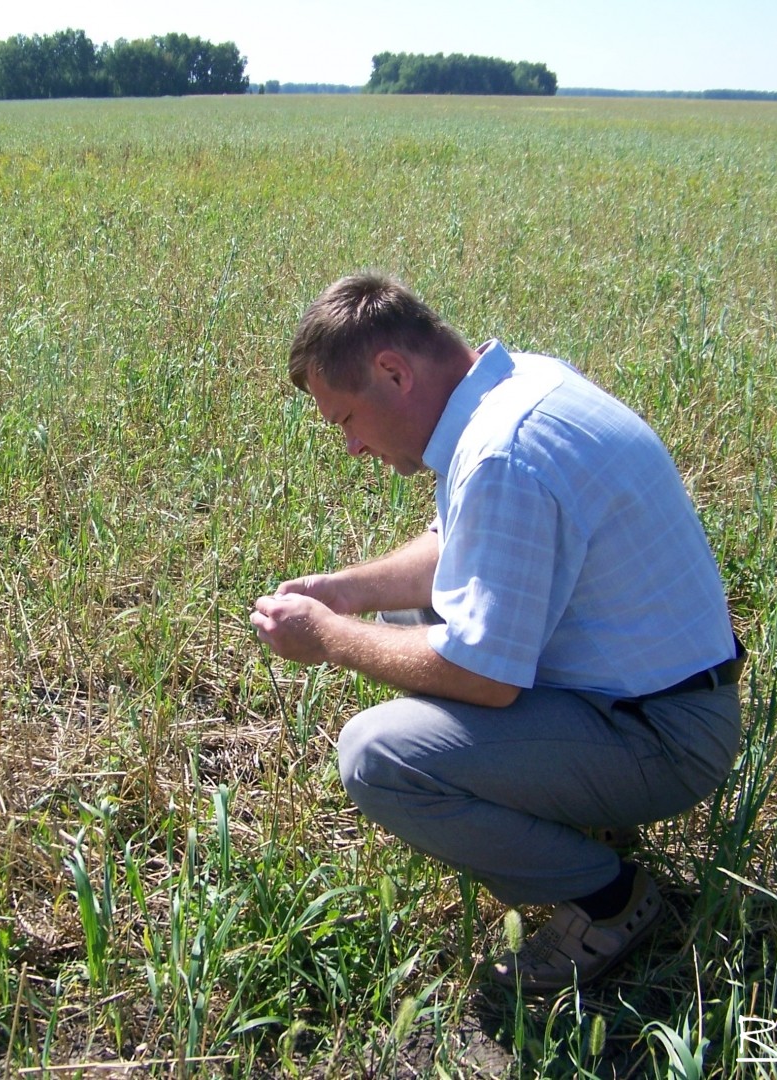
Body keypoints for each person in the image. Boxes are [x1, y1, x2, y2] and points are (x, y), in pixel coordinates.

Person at [251, 273, 743, 992]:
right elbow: (460, 550)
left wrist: (328, 637)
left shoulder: (501, 450)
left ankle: (608, 899)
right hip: (650, 698)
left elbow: (482, 677)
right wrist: (342, 592)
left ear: (394, 372)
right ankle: (586, 815)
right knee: (401, 618)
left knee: (376, 756)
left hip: (664, 738)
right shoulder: (514, 386)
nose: (351, 446)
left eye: (345, 419)